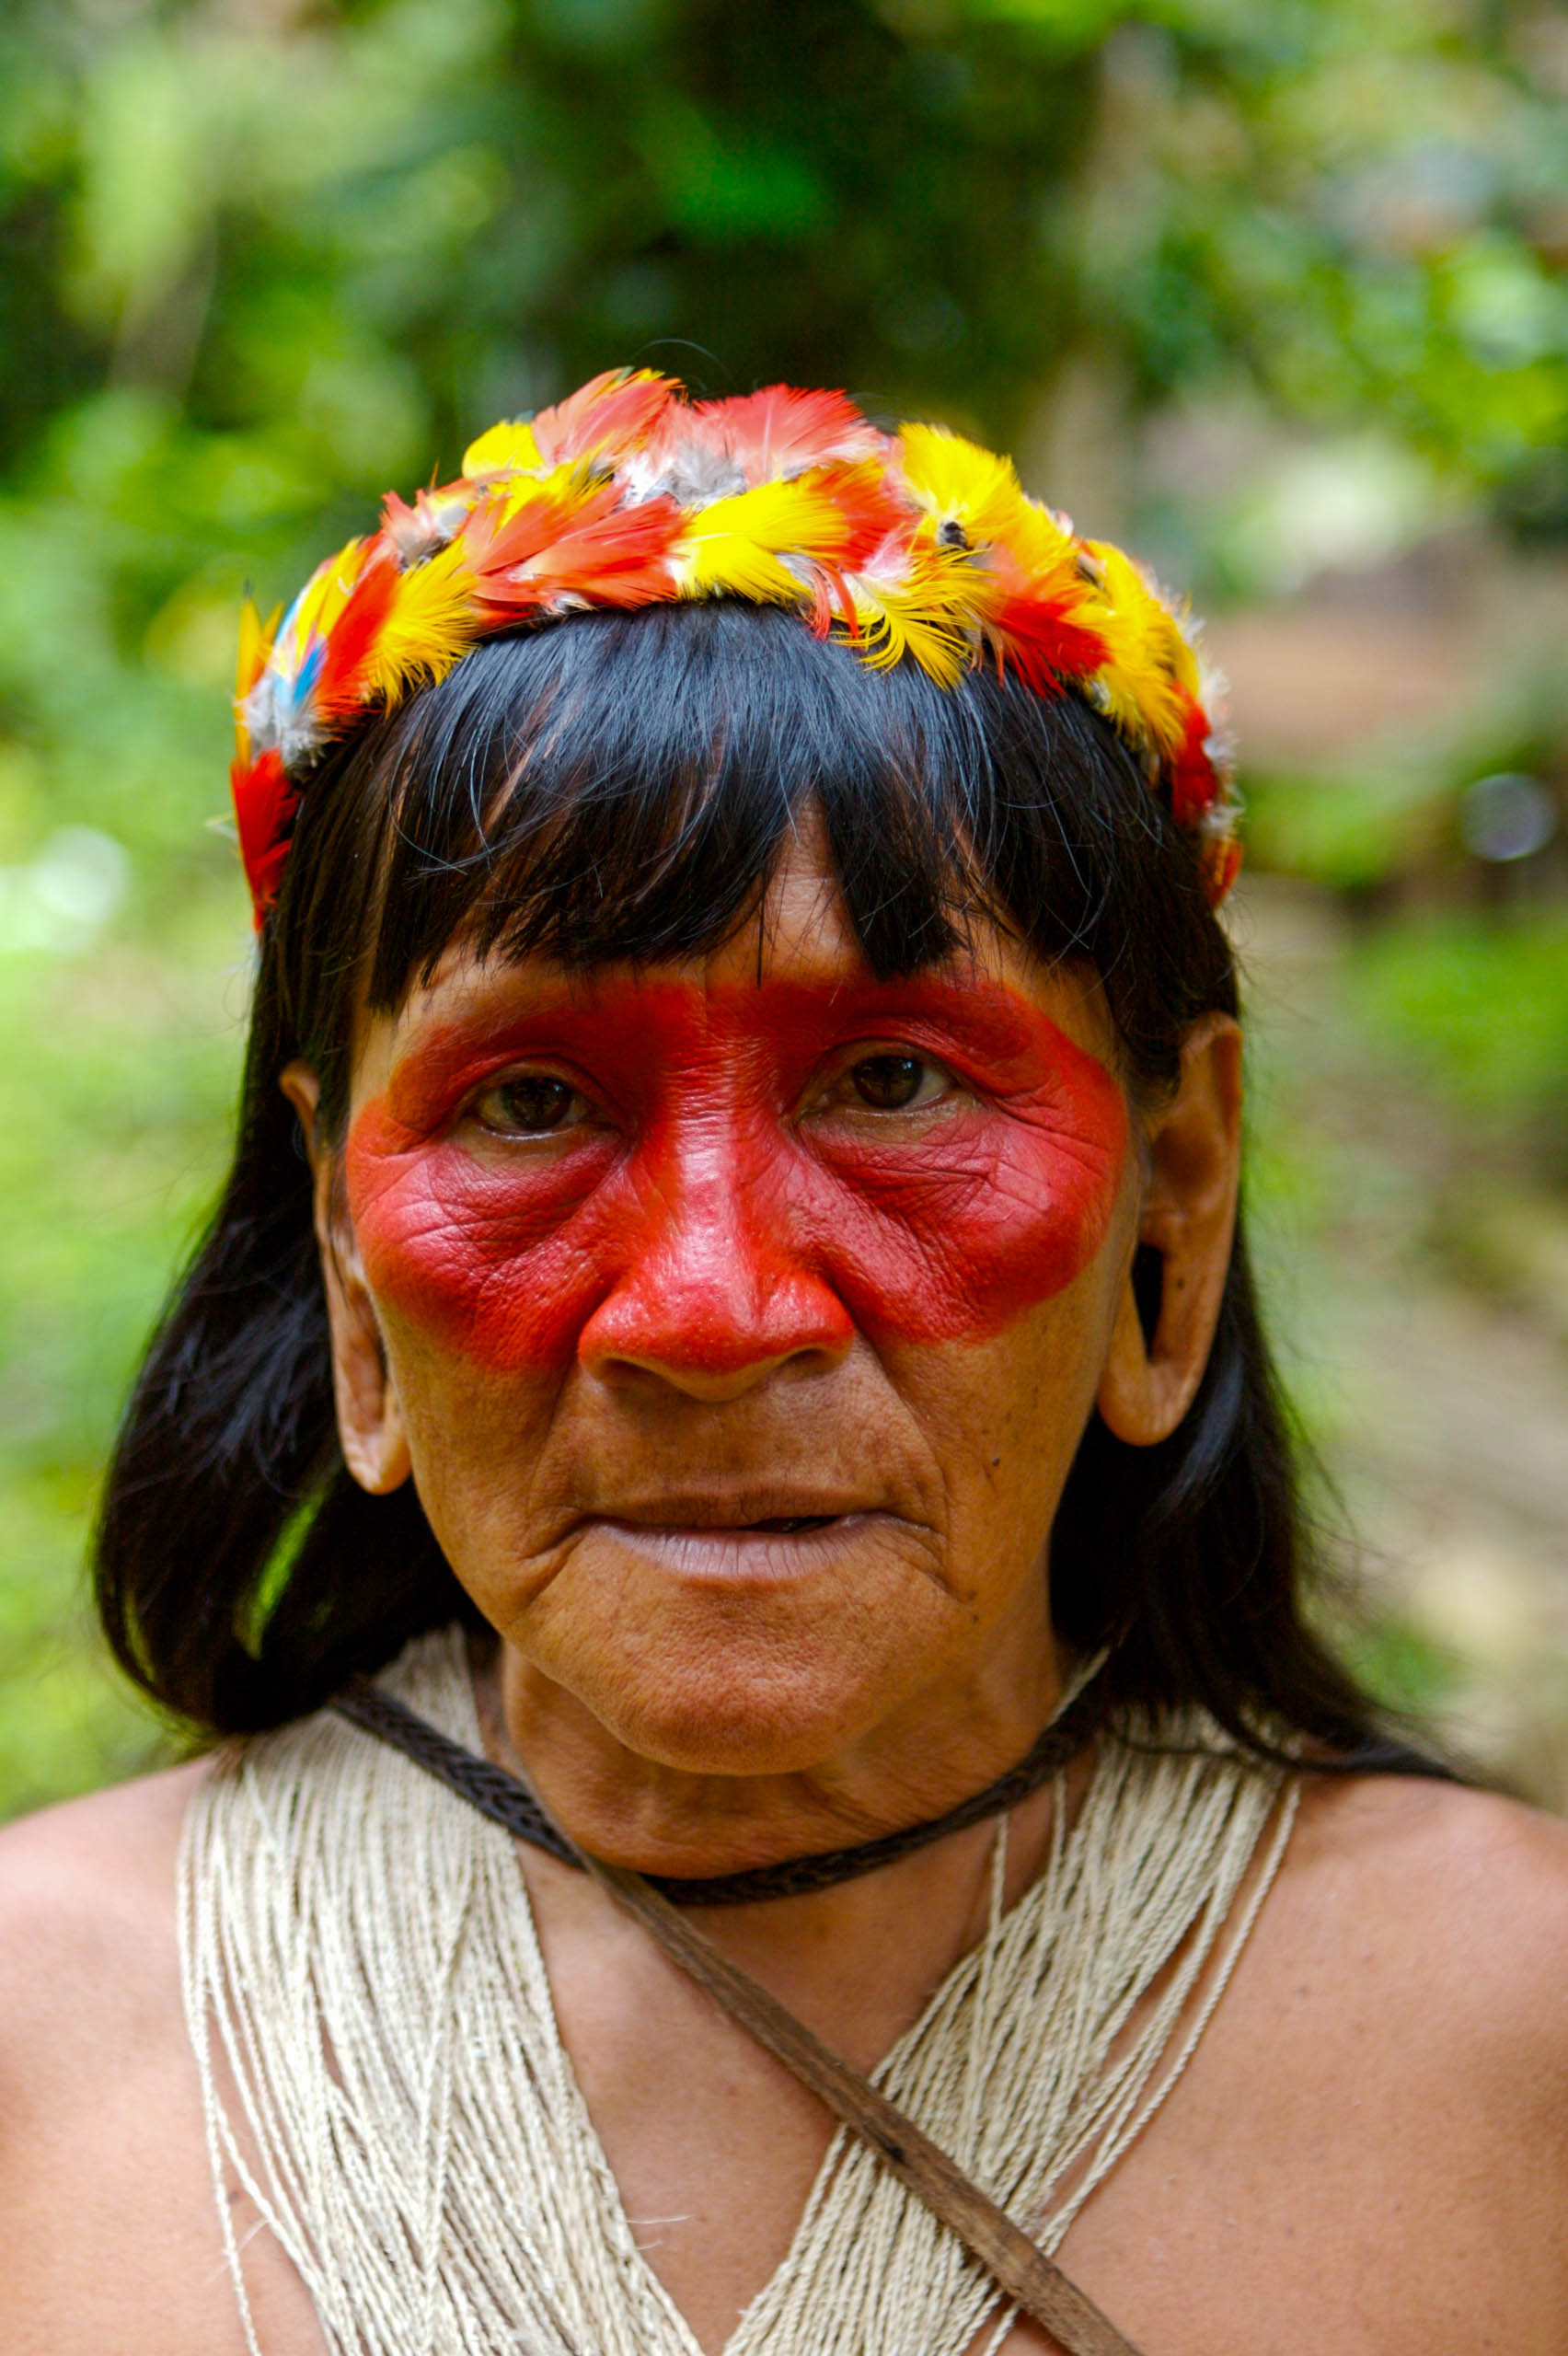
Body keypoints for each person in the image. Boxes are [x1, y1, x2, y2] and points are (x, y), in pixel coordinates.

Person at [0, 370, 1563, 2356]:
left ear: (1175, 1202)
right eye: (532, 1100)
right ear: (339, 1247)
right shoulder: (37, 2043)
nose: (713, 1308)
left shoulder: (1520, 2041)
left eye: (895, 1082)